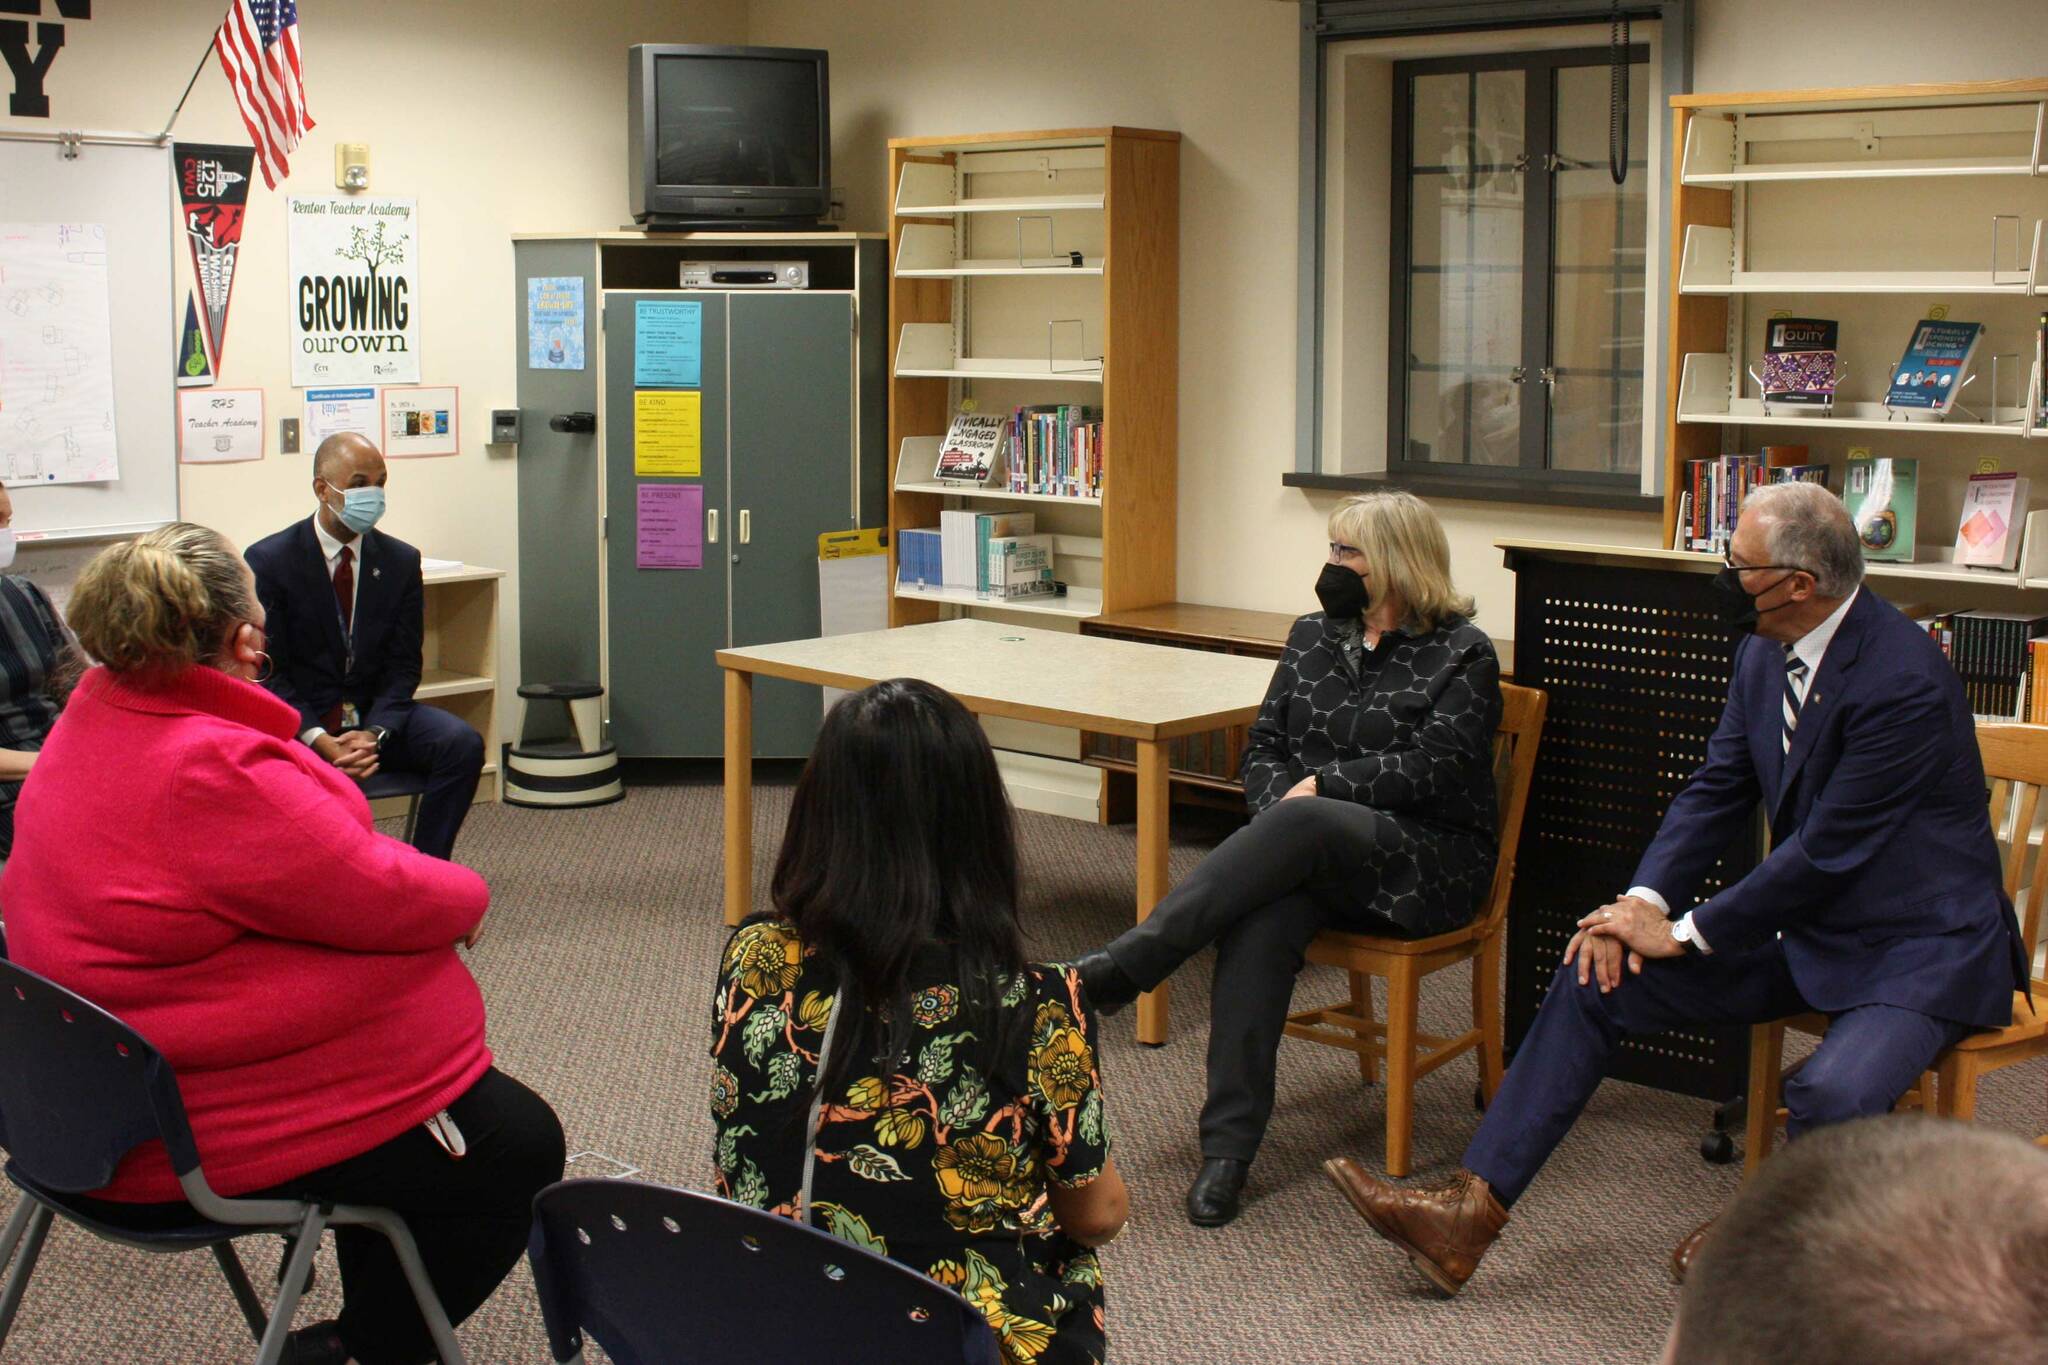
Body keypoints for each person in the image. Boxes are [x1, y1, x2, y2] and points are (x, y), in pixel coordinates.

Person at [1326, 481, 2029, 1295]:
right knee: (1596, 970)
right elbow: (1717, 787)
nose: (1721, 577)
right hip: (1812, 931)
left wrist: (1690, 933)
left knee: (1834, 1088)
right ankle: (1467, 1216)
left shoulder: (1904, 676)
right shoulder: (1764, 648)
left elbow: (1828, 853)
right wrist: (1645, 905)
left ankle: (1766, 1234)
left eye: (1739, 564)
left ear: (1800, 584)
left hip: (1920, 946)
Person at [1, 523, 564, 1365]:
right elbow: (382, 889)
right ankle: (357, 1348)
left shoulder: (96, 715)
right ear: (245, 638)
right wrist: (468, 896)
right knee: (512, 1144)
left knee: (420, 1143)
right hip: (159, 1149)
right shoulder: (211, 769)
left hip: (64, 1107)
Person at [1074, 490, 1502, 1228]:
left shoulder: (1463, 652)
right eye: (1331, 549)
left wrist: (1322, 792)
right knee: (1260, 919)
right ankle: (1227, 1155)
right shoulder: (1312, 636)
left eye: (1347, 553)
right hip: (1311, 852)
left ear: (1398, 562)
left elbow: (1435, 766)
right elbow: (1265, 747)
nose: (1330, 566)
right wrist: (1286, 808)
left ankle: (1123, 969)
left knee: (1300, 829)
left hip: (1424, 862)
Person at [710, 679, 1128, 1365]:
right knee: (1065, 1249)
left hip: (770, 1317)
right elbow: (1098, 1213)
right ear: (978, 826)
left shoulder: (753, 955)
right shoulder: (1032, 999)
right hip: (944, 1340)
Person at [246, 432, 484, 861]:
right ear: (323, 488)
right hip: (304, 723)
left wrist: (373, 734)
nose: (372, 494)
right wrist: (320, 738)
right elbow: (268, 672)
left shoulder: (400, 561)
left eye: (380, 482)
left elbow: (404, 666)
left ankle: (426, 869)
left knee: (460, 743)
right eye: (358, 483)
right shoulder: (270, 561)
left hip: (374, 718)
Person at [1664, 1116, 2048, 1364]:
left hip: (1913, 995)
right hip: (1794, 987)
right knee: (1607, 998)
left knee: (1833, 1089)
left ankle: (1778, 1239)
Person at [0, 483, 79, 859]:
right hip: (14, 793)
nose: (5, 534)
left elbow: (81, 684)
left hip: (65, 769)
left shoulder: (23, 594)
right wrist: (55, 762)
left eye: (7, 521)